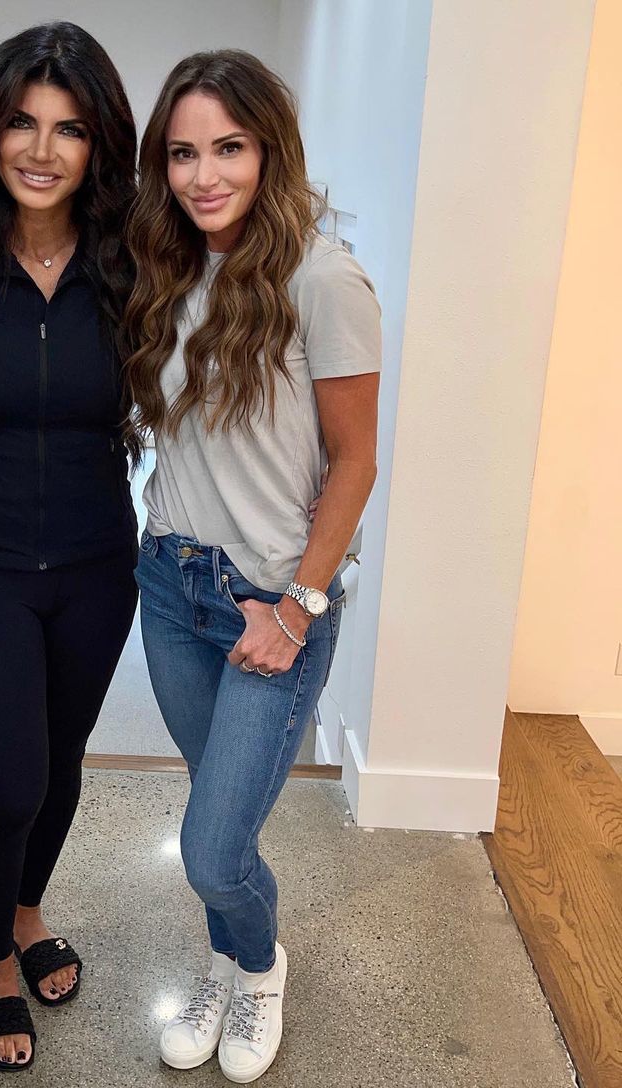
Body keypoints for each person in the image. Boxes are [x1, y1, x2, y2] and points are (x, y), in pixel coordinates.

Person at [125, 51, 381, 1083]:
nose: (204, 175)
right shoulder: (168, 267)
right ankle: (229, 957)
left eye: (228, 147)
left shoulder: (322, 276)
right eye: (183, 153)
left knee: (213, 848)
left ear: (271, 149)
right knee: (212, 812)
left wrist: (299, 606)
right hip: (168, 583)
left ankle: (260, 967)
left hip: (269, 603)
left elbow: (356, 461)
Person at [0, 22, 139, 1072]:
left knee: (59, 768)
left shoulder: (132, 266)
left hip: (99, 565)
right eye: (21, 123)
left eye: (70, 129)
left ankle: (26, 901)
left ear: (98, 147)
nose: (43, 150)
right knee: (9, 781)